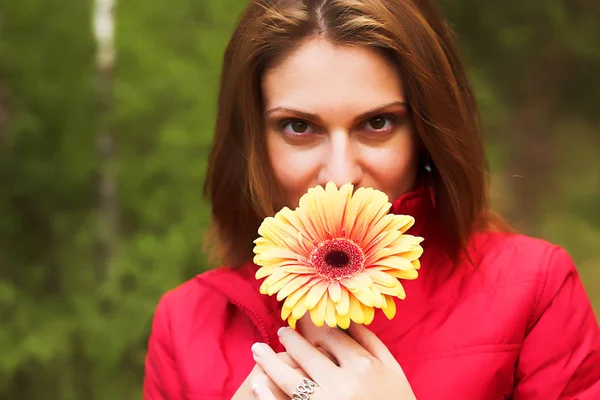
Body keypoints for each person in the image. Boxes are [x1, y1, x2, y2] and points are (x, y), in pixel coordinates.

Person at [143, 0, 600, 399]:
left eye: (377, 124)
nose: (341, 174)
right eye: (299, 127)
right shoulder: (185, 325)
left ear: (426, 132)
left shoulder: (534, 292)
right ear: (252, 144)